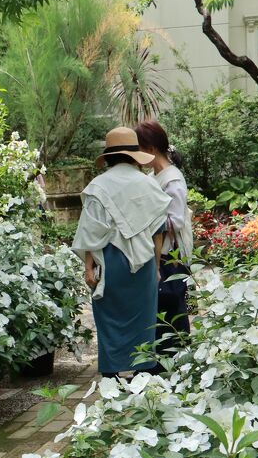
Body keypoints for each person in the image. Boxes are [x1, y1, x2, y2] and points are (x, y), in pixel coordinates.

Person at [72, 126, 171, 376]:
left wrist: (87, 268)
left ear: (109, 156)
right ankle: (144, 371)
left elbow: (90, 233)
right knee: (144, 318)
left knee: (110, 316)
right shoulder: (147, 184)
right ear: (134, 155)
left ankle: (111, 372)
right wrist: (157, 267)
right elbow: (158, 231)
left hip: (110, 261)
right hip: (145, 261)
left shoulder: (98, 186)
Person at [135, 119, 193, 346]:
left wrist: (147, 220)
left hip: (171, 255)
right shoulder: (153, 178)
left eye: (139, 149)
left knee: (173, 305)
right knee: (159, 306)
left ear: (150, 149)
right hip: (156, 252)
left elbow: (176, 220)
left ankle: (176, 357)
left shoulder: (173, 179)